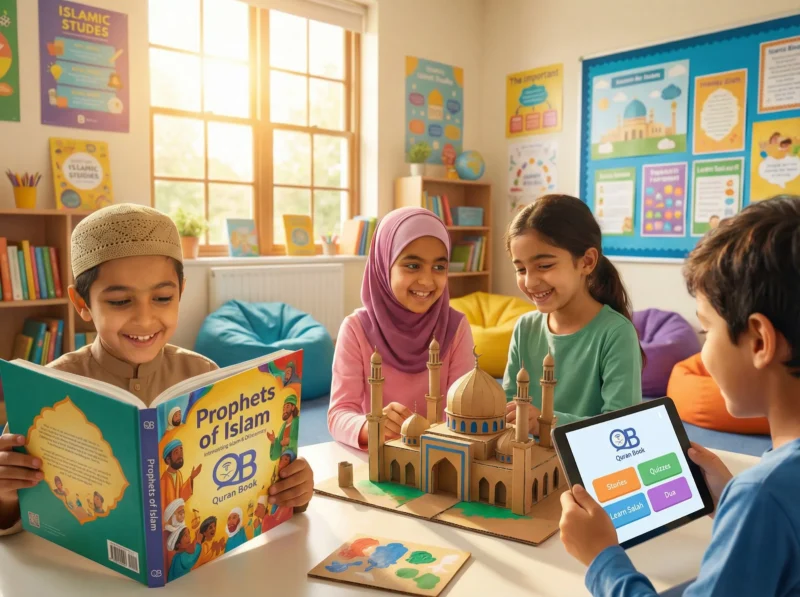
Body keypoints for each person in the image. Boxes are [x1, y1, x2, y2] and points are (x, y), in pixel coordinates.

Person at [0, 204, 313, 536]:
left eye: (163, 298)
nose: (145, 319)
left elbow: (243, 484)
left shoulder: (203, 374)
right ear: (82, 305)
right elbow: (15, 516)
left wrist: (293, 488)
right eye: (120, 302)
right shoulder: (48, 389)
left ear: (181, 292)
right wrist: (4, 493)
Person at [559, 195, 800, 596]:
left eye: (706, 330)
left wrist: (601, 557)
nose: (701, 352)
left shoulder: (764, 494)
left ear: (759, 340)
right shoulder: (769, 493)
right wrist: (729, 502)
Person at [327, 207, 475, 449]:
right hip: (381, 461)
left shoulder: (455, 327)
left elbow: (466, 411)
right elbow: (340, 413)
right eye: (413, 266)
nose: (427, 281)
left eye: (439, 267)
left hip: (442, 459)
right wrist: (370, 426)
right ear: (384, 265)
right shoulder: (356, 329)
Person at [503, 195, 642, 434]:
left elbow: (622, 426)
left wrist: (546, 421)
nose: (530, 281)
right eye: (520, 269)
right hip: (524, 459)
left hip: (586, 465)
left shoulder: (616, 333)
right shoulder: (525, 327)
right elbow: (508, 403)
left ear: (587, 262)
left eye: (544, 266)